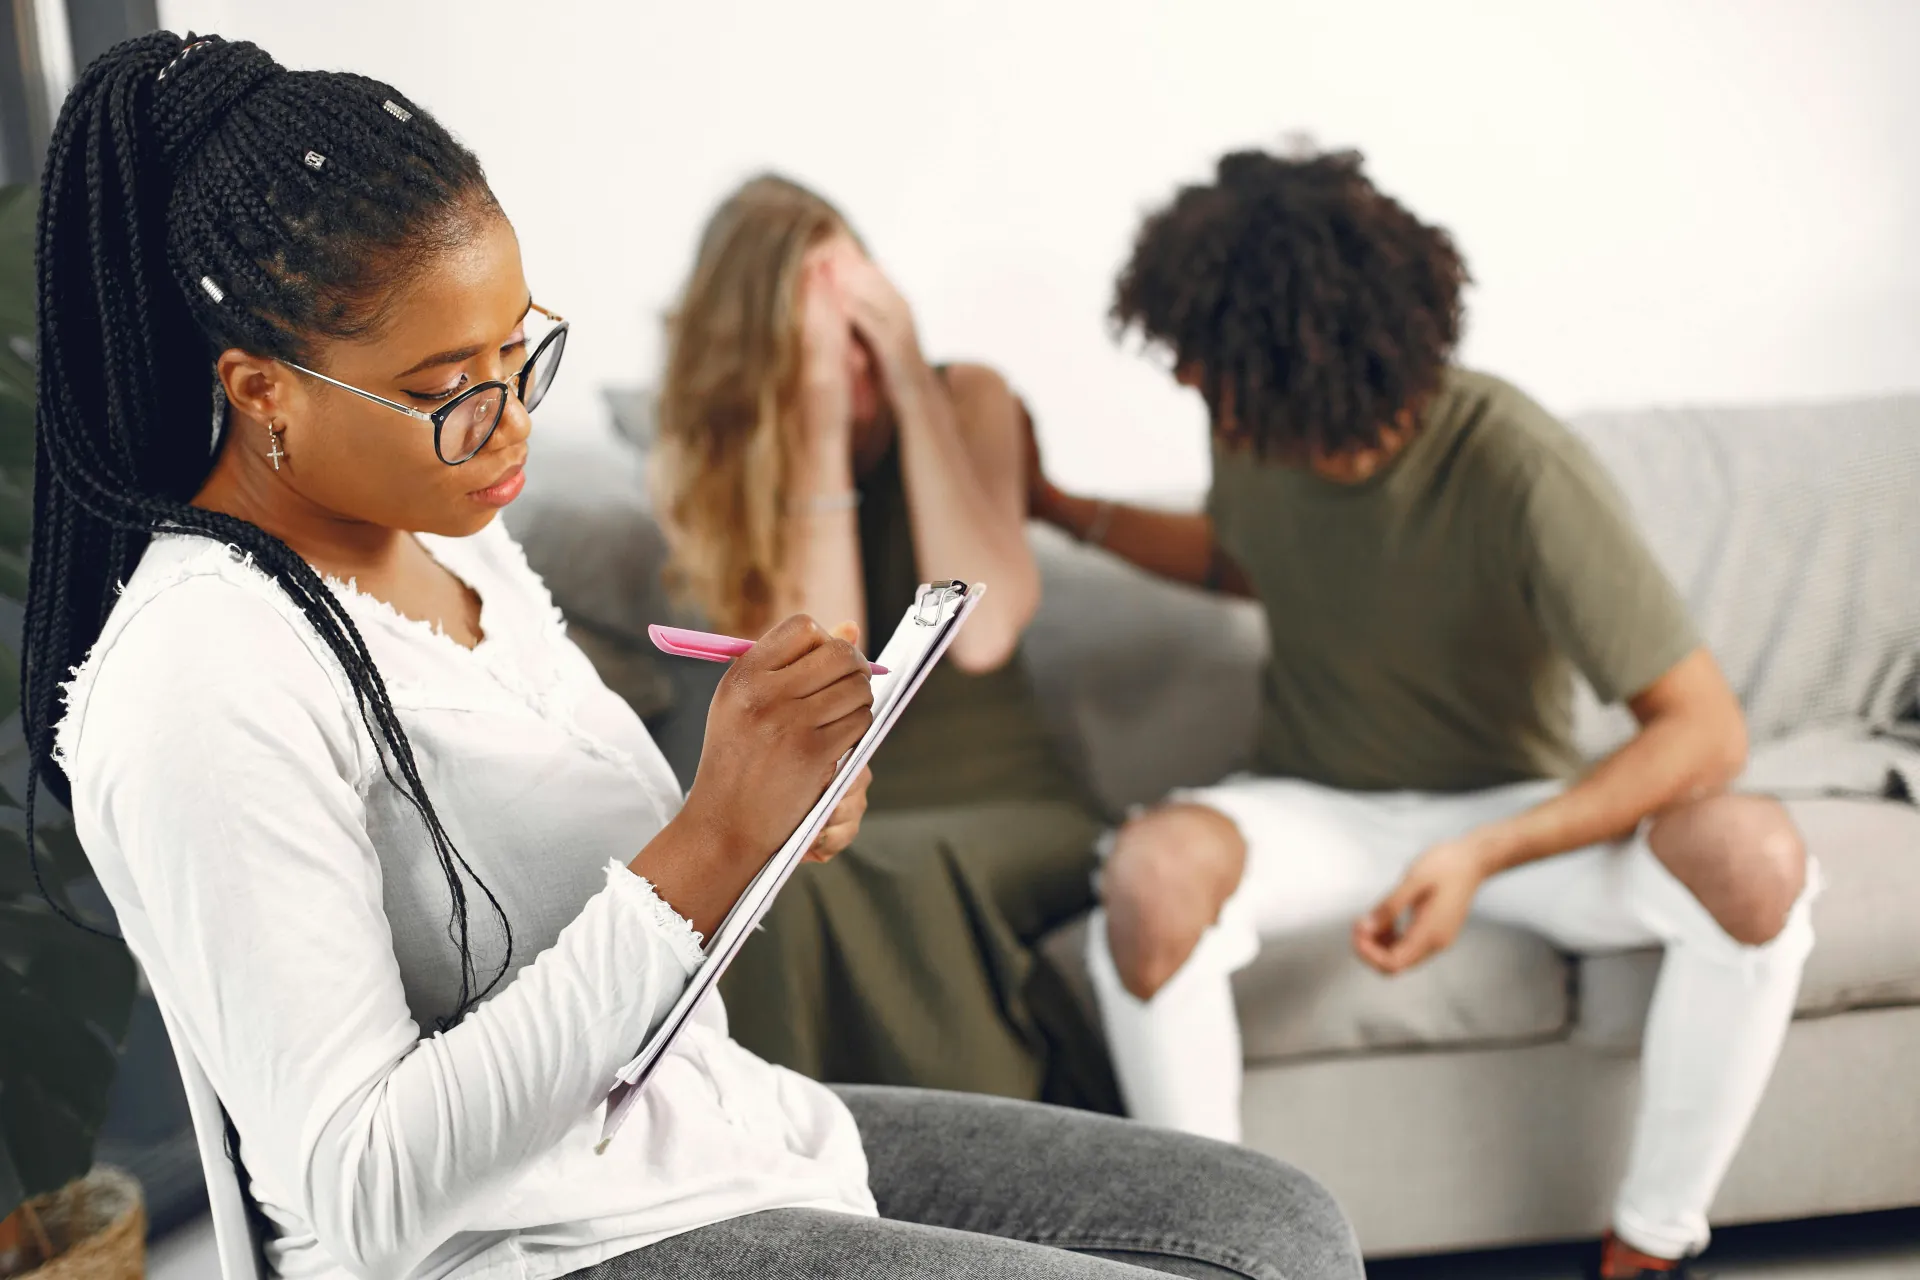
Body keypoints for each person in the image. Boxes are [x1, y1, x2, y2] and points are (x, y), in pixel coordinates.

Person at [29, 33, 1365, 1280]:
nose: (510, 431)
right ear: (261, 387)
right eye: (449, 391)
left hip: (705, 1140)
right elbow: (359, 1191)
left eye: (521, 352)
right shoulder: (202, 681)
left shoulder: (449, 540)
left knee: (1279, 1228)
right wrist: (712, 840)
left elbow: (596, 914)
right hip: (537, 1244)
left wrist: (768, 819)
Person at [1024, 147, 1814, 1280]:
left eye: (1210, 359)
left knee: (1756, 854)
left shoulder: (1515, 463)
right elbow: (1250, 561)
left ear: (1299, 353)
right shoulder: (1256, 428)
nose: (1191, 379)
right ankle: (1214, 1255)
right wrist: (1061, 508)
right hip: (1315, 806)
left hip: (1512, 812)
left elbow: (1705, 729)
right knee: (1149, 878)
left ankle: (1650, 1246)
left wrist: (1483, 850)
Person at [651, 175, 1118, 1111]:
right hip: (850, 810)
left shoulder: (967, 398)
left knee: (846, 875)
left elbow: (980, 634)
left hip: (1009, 804)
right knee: (801, 874)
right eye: (822, 346)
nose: (851, 368)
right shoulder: (726, 458)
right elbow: (829, 685)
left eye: (861, 329)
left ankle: (977, 1164)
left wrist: (908, 379)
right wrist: (817, 426)